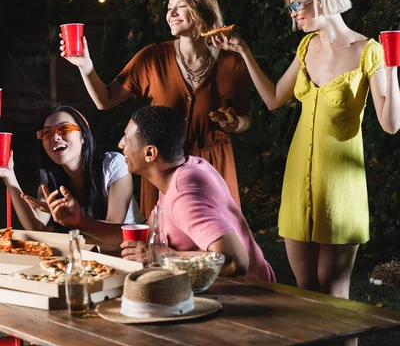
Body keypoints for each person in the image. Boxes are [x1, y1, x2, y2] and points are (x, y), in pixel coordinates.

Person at [211, 0, 400, 314]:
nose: (294, 14)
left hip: (340, 187)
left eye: (298, 5)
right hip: (298, 182)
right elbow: (272, 99)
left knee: (335, 300)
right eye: (291, 7)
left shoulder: (368, 51)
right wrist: (243, 52)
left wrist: (393, 68)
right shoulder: (307, 46)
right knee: (305, 294)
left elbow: (390, 124)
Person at [61, 0, 251, 218]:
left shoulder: (231, 62)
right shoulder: (152, 58)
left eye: (181, 6)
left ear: (203, 10)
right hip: (163, 169)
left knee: (216, 245)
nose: (171, 14)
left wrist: (234, 124)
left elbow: (246, 119)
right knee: (162, 244)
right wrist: (85, 65)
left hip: (214, 168)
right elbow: (105, 99)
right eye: (169, 7)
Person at [44, 105, 275, 281]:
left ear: (150, 153)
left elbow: (235, 262)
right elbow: (143, 236)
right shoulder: (184, 169)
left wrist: (160, 256)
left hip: (251, 298)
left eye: (128, 138)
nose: (121, 144)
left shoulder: (184, 196)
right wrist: (80, 222)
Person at [0, 104, 143, 231]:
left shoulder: (113, 165)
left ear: (83, 137)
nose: (55, 137)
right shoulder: (51, 184)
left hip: (129, 253)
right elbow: (35, 226)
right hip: (84, 255)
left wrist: (75, 220)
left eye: (64, 128)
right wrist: (9, 176)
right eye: (46, 132)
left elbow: (112, 229)